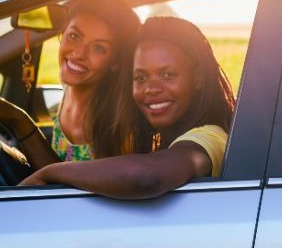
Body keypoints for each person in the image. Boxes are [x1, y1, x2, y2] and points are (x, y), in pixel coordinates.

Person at [19, 17, 236, 199]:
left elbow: (147, 177)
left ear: (198, 79)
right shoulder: (168, 140)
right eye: (140, 77)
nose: (151, 88)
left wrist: (50, 173)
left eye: (168, 75)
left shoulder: (210, 138)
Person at [0, 0, 141, 169]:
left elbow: (70, 190)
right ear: (63, 33)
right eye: (74, 36)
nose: (79, 53)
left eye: (98, 48)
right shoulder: (69, 86)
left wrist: (20, 121)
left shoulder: (114, 123)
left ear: (115, 62)